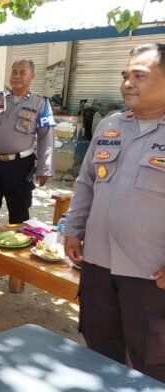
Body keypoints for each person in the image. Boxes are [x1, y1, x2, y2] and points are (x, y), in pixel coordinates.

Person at [64, 43, 165, 383]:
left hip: (150, 275)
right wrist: (73, 230)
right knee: (99, 353)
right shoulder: (110, 126)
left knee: (150, 364)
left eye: (140, 76)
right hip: (97, 265)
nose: (127, 83)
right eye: (125, 75)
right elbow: (87, 182)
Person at [0, 59, 56, 229]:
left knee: (19, 215)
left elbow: (46, 137)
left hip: (20, 166)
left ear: (32, 76)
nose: (17, 76)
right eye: (14, 72)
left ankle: (16, 254)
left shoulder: (40, 104)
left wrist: (44, 167)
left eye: (22, 72)